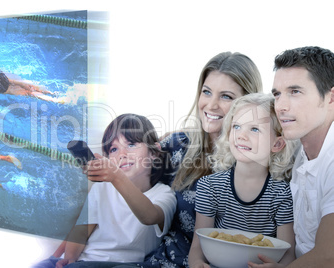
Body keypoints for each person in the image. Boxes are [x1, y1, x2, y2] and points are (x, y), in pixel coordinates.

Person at [131, 52, 263, 268]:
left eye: (226, 96)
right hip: (160, 262)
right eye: (207, 92)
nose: (211, 105)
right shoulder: (177, 145)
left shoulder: (260, 163)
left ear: (248, 104)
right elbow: (132, 177)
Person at [34, 113, 177, 268]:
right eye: (114, 149)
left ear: (154, 152)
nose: (122, 154)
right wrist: (69, 259)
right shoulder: (102, 187)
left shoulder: (164, 194)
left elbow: (149, 216)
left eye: (131, 144)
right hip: (83, 261)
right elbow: (81, 231)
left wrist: (116, 177)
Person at [188, 93, 297, 268]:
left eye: (254, 129)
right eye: (236, 126)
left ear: (277, 144)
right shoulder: (209, 186)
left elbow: (289, 254)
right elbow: (197, 247)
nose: (241, 135)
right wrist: (196, 263)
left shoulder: (282, 194)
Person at [252, 46, 334, 268]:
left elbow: (329, 255)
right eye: (277, 94)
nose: (281, 106)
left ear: (330, 97)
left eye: (295, 92)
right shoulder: (301, 146)